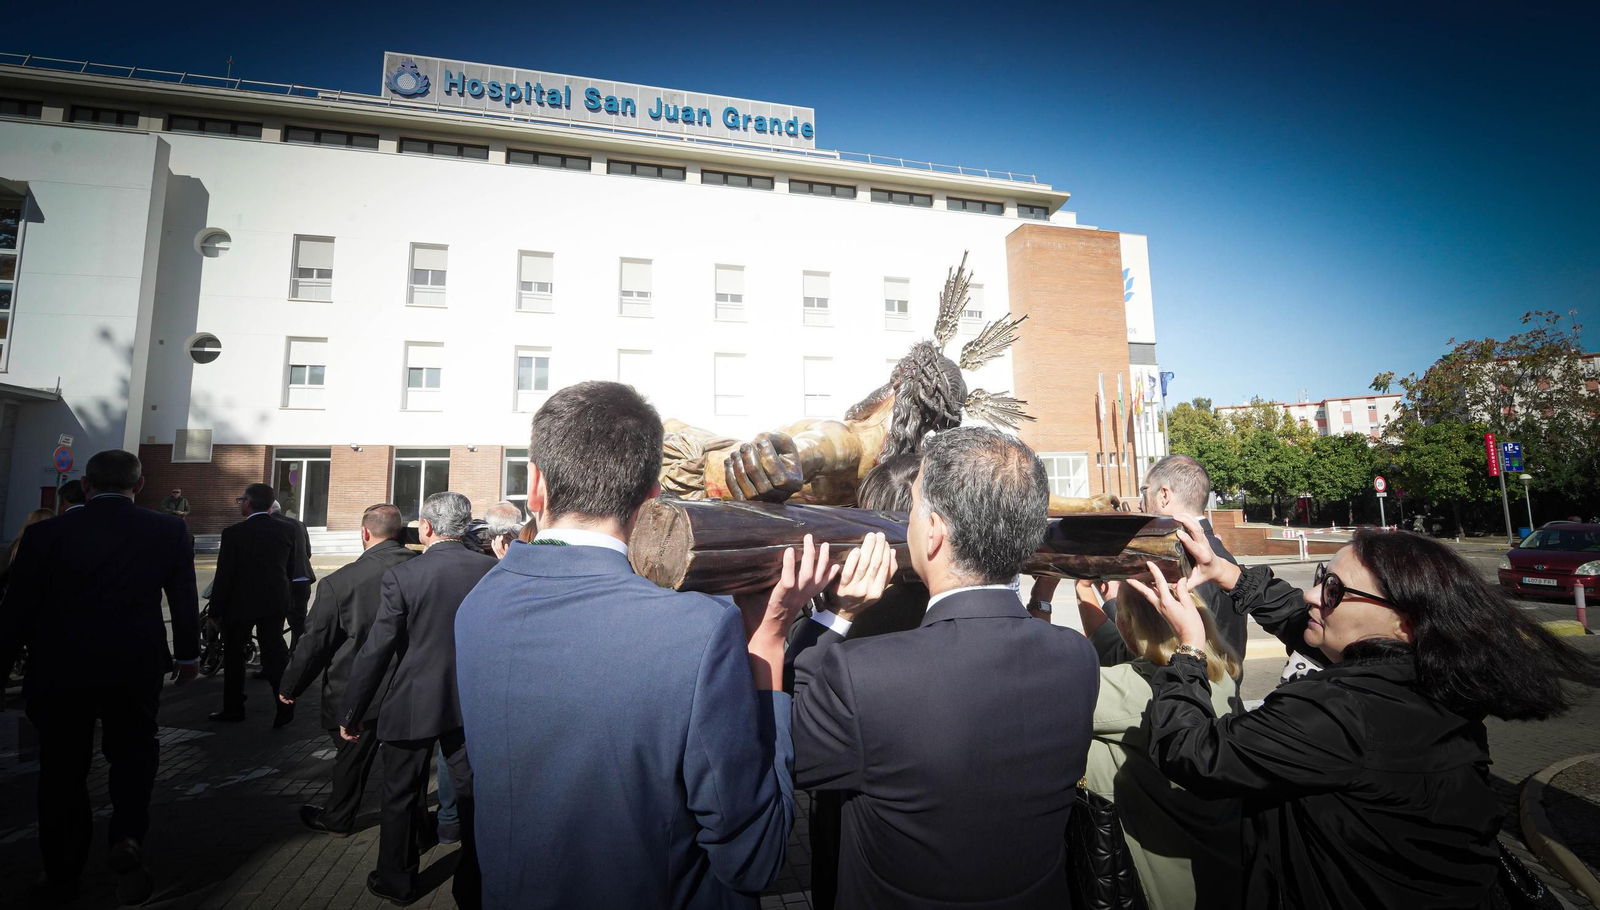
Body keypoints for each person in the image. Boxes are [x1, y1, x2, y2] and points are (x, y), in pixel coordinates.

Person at [456, 380, 834, 909]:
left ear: (535, 485)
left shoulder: (478, 604)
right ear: (653, 496)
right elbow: (754, 856)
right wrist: (768, 640)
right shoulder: (697, 631)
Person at [1134, 516, 1600, 910]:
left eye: (1334, 590)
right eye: (1321, 577)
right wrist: (1229, 575)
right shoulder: (1431, 674)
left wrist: (1190, 653)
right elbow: (1311, 627)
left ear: (1404, 620)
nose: (1314, 595)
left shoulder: (1339, 709)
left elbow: (1194, 753)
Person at [791, 426, 1100, 908]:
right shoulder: (1076, 657)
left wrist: (836, 615)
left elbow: (791, 746)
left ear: (933, 530)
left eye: (912, 508)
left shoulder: (863, 675)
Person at [0, 449, 200, 905]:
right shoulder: (169, 528)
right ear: (140, 485)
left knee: (61, 770)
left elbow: (16, 611)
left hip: (60, 668)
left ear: (85, 485)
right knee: (133, 754)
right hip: (135, 665)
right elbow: (183, 597)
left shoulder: (45, 533)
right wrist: (187, 655)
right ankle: (126, 836)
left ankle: (62, 872)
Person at [340, 491, 496, 908]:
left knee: (400, 795)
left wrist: (353, 710)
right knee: (472, 796)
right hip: (470, 701)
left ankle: (397, 879)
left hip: (413, 700)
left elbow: (377, 649)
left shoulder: (406, 575)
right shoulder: (491, 569)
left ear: (426, 527)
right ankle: (474, 881)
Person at [1078, 582, 1243, 910]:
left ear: (1125, 624)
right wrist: (1086, 592)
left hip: (1163, 889)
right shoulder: (1220, 675)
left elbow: (1032, 679)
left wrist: (1041, 598)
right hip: (1220, 870)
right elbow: (1110, 638)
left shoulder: (1129, 690)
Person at [277, 504, 415, 835]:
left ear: (365, 533)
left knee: (351, 757)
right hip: (411, 686)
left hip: (356, 688)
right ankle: (416, 826)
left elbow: (315, 643)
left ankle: (339, 816)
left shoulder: (341, 582)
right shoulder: (421, 568)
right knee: (408, 767)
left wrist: (290, 686)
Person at [1091, 454, 1246, 671]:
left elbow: (1158, 646)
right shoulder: (1222, 558)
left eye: (1143, 491)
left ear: (1164, 495)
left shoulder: (1178, 560)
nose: (1140, 504)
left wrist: (1115, 599)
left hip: (1190, 694)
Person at [209, 483, 295, 726]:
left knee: (235, 657)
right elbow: (289, 569)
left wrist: (216, 610)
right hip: (274, 602)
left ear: (248, 502)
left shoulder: (233, 533)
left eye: (241, 499)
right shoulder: (287, 530)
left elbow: (224, 575)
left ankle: (234, 708)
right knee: (275, 654)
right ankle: (284, 704)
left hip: (239, 605)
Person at [271, 500, 316, 649]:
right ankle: (298, 656)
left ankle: (280, 660)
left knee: (272, 624)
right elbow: (307, 552)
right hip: (302, 578)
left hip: (282, 581)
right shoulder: (299, 524)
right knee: (298, 622)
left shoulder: (269, 524)